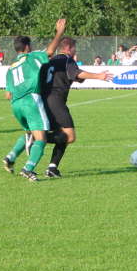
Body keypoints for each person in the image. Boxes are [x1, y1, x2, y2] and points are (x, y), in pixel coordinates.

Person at [37, 37, 113, 178]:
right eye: (74, 48)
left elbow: (76, 75)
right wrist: (99, 76)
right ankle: (37, 138)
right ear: (68, 48)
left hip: (45, 101)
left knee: (62, 134)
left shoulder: (49, 61)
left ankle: (52, 167)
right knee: (70, 136)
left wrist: (80, 74)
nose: (75, 51)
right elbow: (76, 73)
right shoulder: (67, 59)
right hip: (56, 101)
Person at [2, 19, 67, 181]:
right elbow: (50, 51)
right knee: (41, 138)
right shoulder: (31, 57)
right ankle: (28, 168)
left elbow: (7, 95)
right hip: (31, 100)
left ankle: (10, 157)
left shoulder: (11, 68)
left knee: (29, 133)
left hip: (15, 105)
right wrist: (59, 32)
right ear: (26, 47)